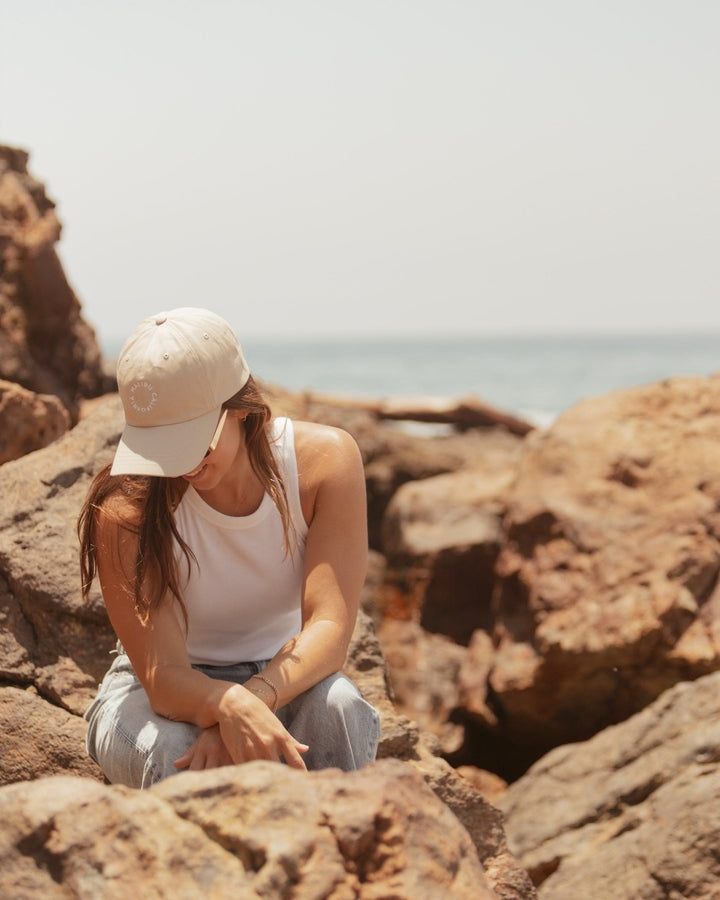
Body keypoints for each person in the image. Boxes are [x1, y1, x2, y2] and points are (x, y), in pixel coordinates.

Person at [78, 307, 380, 788]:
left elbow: (330, 626)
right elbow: (163, 676)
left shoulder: (324, 464)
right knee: (177, 756)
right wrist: (226, 705)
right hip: (157, 692)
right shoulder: (126, 510)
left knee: (339, 710)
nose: (179, 466)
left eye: (192, 441)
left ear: (239, 405)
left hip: (283, 676)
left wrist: (250, 701)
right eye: (160, 443)